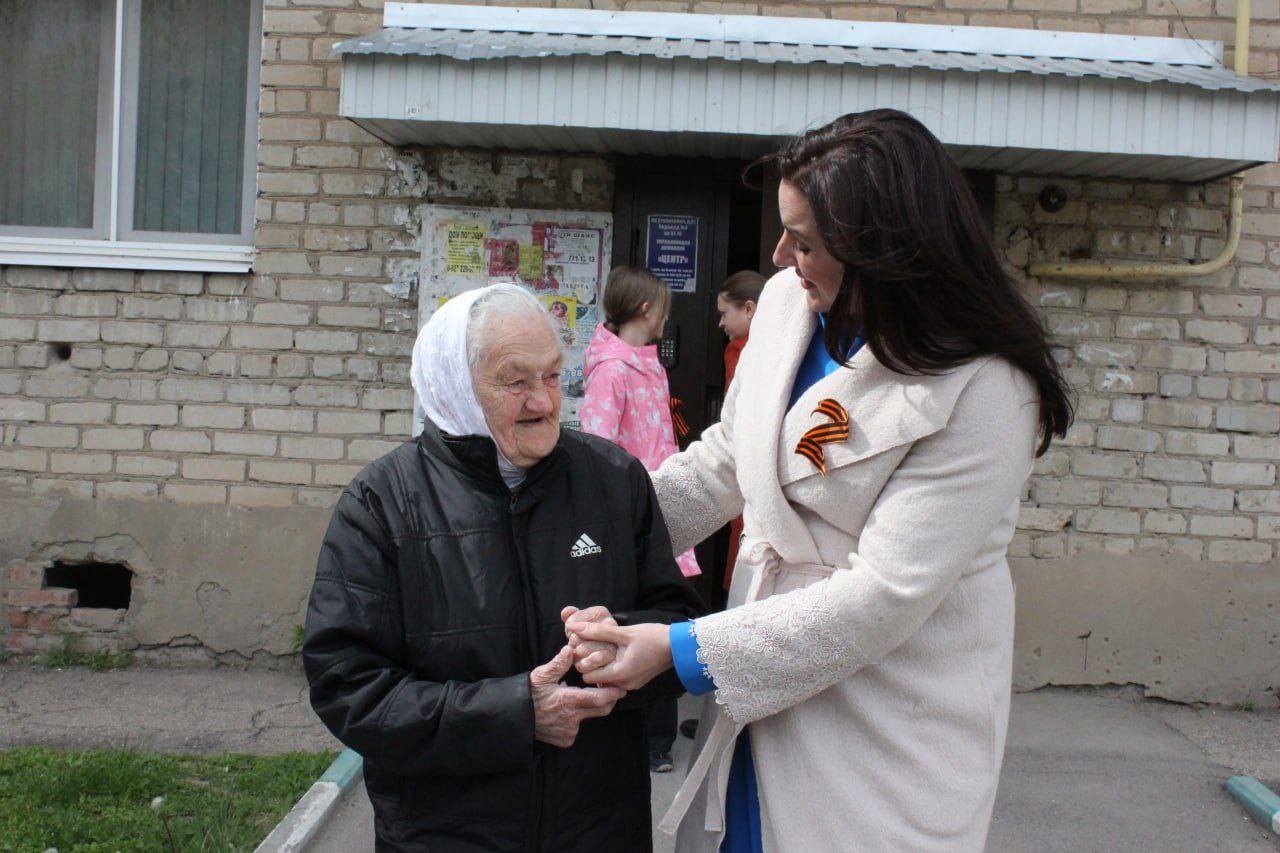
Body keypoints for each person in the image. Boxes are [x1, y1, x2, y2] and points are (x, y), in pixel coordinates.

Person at [566, 109, 1073, 851]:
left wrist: (678, 651)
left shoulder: (989, 387)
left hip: (885, 720)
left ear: (886, 250)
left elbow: (882, 597)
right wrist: (584, 535)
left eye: (803, 241)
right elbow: (724, 461)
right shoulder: (784, 304)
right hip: (758, 680)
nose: (778, 255)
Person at [302, 282, 703, 851]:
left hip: (599, 827)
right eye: (516, 381)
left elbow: (676, 619)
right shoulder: (383, 503)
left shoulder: (615, 480)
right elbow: (348, 686)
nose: (543, 401)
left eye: (551, 375)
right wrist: (515, 714)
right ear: (456, 387)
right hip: (444, 834)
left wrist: (624, 651)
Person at [579, 266, 702, 775]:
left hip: (660, 510)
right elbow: (599, 446)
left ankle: (659, 737)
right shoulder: (611, 368)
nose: (666, 319)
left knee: (664, 616)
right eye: (665, 310)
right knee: (637, 621)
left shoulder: (649, 365)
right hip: (627, 516)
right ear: (648, 311)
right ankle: (643, 737)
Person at [715, 270, 766, 595]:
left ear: (749, 309)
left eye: (724, 313)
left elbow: (737, 414)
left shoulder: (739, 350)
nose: (721, 323)